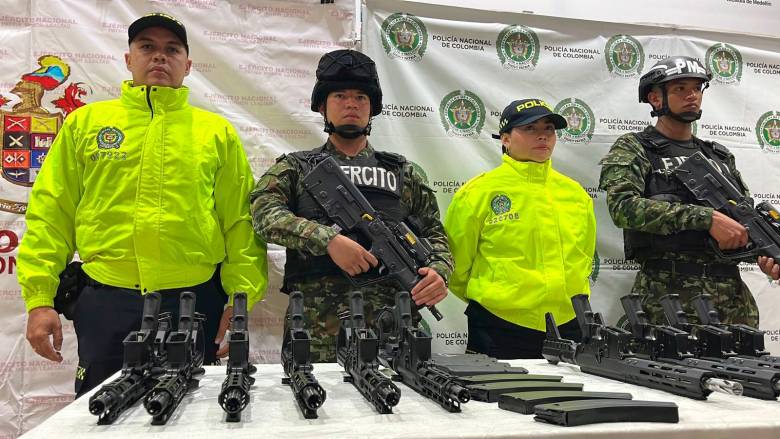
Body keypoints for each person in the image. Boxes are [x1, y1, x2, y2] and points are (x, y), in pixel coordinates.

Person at [18, 12, 268, 397]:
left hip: (193, 300)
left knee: (185, 412)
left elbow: (240, 224)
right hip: (106, 301)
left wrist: (240, 299)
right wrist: (39, 299)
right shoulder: (87, 125)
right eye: (147, 47)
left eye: (171, 50)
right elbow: (52, 214)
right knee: (101, 414)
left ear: (187, 65)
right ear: (128, 58)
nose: (159, 58)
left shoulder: (215, 133)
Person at [250, 49, 452, 362]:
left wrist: (438, 273)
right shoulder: (296, 168)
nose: (351, 104)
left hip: (395, 330)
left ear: (372, 108)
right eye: (340, 96)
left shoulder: (403, 172)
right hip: (317, 334)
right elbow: (263, 214)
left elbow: (435, 234)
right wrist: (327, 239)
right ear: (322, 106)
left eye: (361, 97)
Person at [599, 56, 765, 327]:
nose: (692, 96)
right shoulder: (635, 147)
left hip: (733, 305)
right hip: (666, 299)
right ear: (655, 98)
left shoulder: (719, 157)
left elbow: (742, 224)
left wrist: (761, 254)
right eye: (680, 88)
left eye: (697, 88)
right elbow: (623, 208)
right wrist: (706, 218)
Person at [445, 99, 596, 359]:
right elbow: (456, 266)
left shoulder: (575, 194)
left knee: (570, 399)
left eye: (549, 128)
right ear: (505, 139)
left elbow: (584, 257)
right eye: (529, 128)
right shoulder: (478, 192)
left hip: (569, 324)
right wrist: (497, 299)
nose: (542, 135)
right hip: (499, 325)